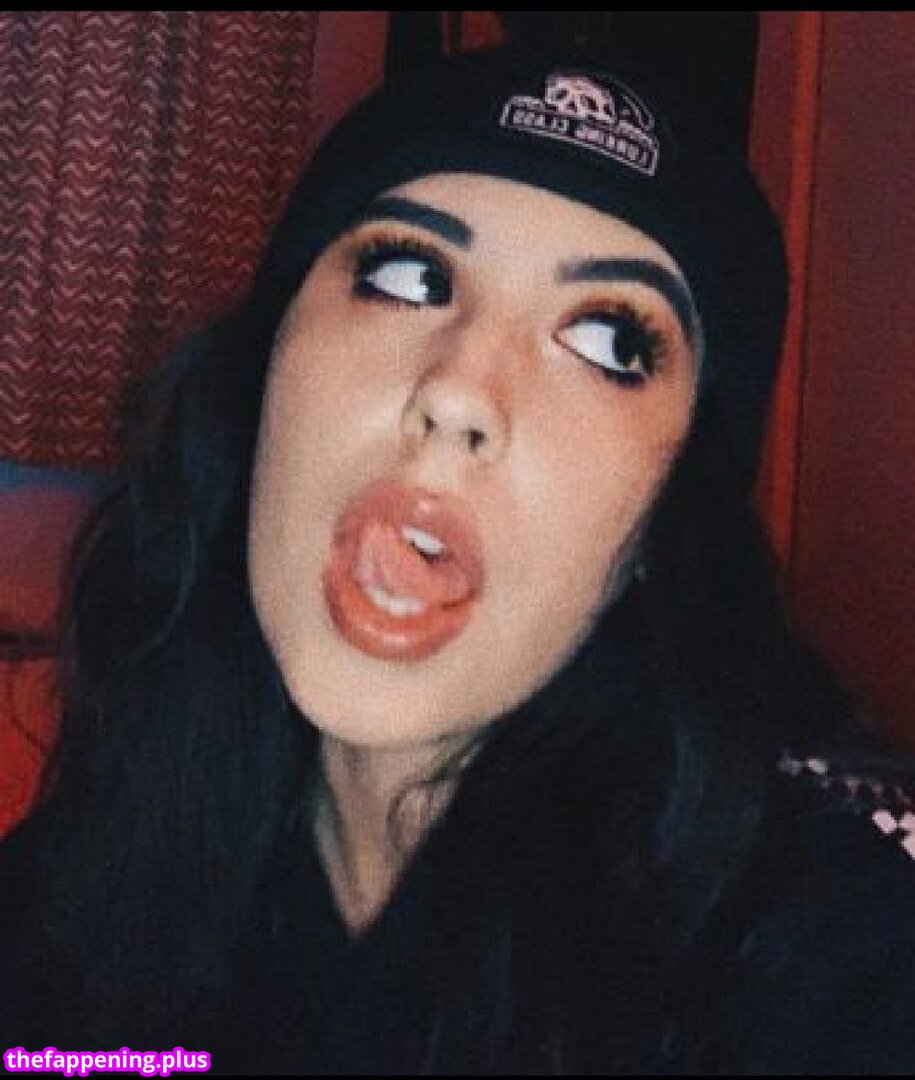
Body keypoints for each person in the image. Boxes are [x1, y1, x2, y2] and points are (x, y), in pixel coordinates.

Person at [2, 44, 913, 1076]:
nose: (459, 392)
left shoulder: (840, 949)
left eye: (611, 342)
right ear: (263, 380)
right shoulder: (79, 885)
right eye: (407, 275)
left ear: (668, 518)